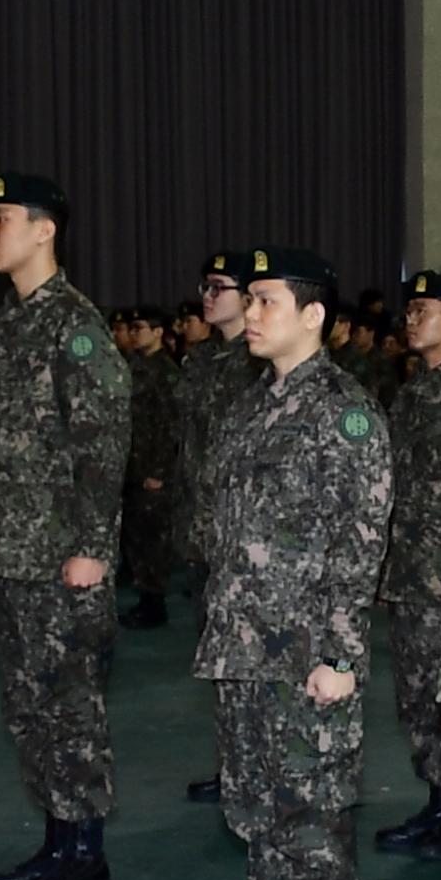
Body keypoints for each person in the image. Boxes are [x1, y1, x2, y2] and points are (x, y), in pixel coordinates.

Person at [191, 248, 395, 880]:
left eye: (268, 301)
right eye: (250, 300)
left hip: (306, 646)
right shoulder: (251, 404)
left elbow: (361, 537)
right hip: (247, 641)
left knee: (309, 801)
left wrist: (341, 652)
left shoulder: (343, 411)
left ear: (314, 317)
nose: (251, 313)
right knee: (259, 798)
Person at [0, 174, 130, 880]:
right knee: (30, 706)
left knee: (69, 705)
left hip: (61, 557)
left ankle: (82, 853)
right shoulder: (13, 321)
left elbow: (104, 437)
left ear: (43, 229)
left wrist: (91, 545)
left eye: (1, 218)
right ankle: (57, 840)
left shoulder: (73, 325)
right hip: (17, 553)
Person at [372, 266, 441, 859]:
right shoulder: (411, 392)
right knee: (415, 695)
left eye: (426, 312)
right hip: (412, 570)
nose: (413, 321)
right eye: (409, 312)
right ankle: (439, 802)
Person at [171, 252, 265, 802]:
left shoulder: (255, 361)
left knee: (249, 657)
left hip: (240, 535)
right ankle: (233, 762)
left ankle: (253, 766)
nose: (208, 297)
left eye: (219, 288)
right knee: (218, 659)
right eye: (204, 287)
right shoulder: (201, 359)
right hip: (203, 531)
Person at [117, 304, 182, 630]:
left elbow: (171, 427)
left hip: (152, 473)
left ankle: (154, 602)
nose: (133, 333)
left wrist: (159, 471)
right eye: (132, 328)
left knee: (153, 539)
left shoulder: (166, 372)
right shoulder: (131, 367)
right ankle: (144, 597)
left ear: (158, 333)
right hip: (131, 467)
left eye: (140, 327)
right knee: (134, 537)